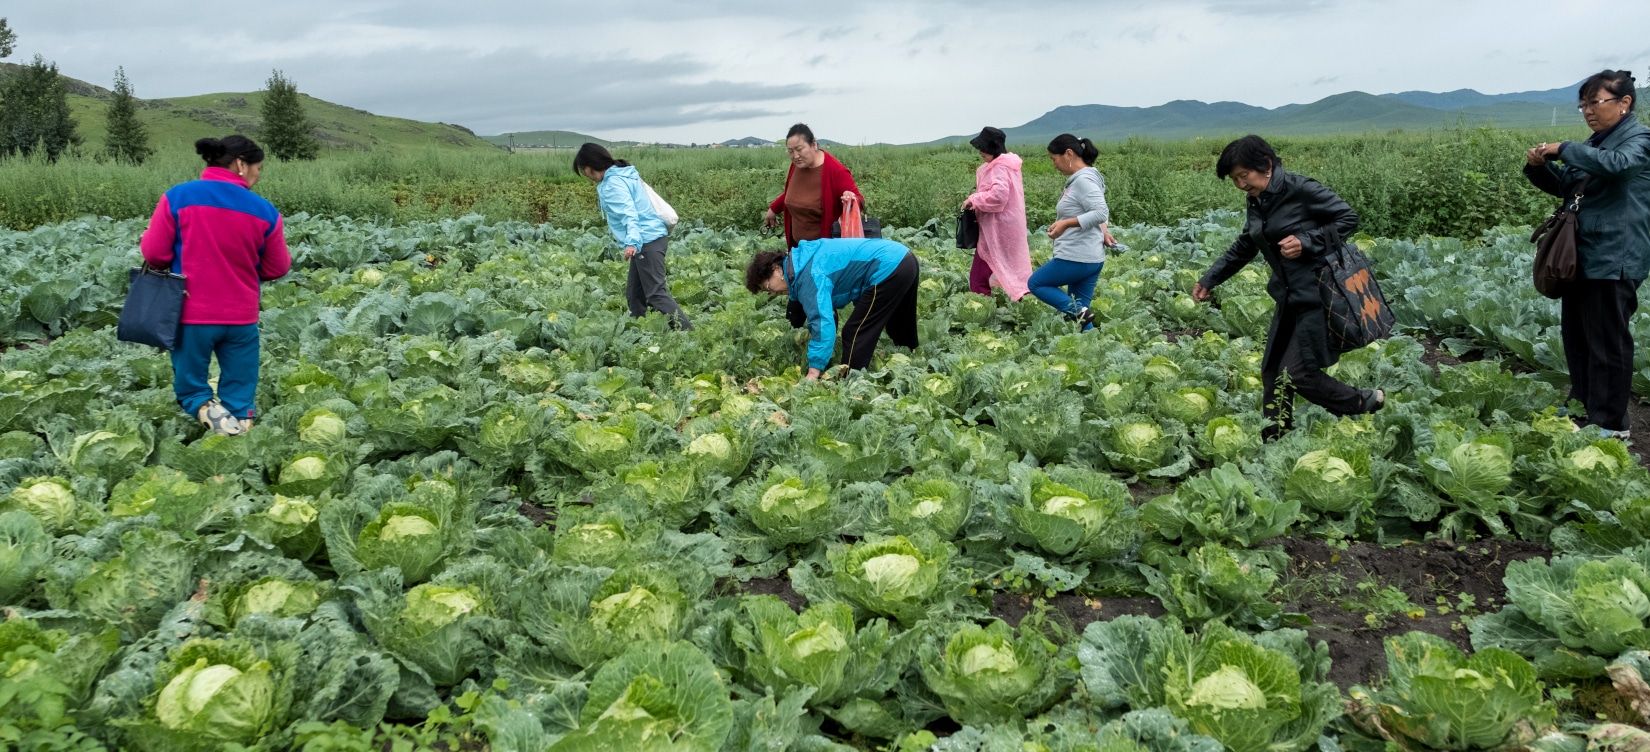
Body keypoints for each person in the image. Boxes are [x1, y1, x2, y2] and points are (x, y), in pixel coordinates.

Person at [1191, 135, 1386, 441]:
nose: (1241, 185)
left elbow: (1347, 217)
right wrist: (1209, 279)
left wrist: (1307, 241)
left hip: (1319, 293)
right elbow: (1247, 244)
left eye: (1244, 176)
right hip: (1290, 296)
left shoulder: (1300, 189)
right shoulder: (1257, 199)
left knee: (1297, 373)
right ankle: (1275, 436)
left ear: (1266, 165)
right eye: (1234, 179)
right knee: (1272, 371)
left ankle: (1362, 401)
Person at [1525, 70, 1650, 440]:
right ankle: (1582, 405)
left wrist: (1562, 148)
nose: (1587, 112)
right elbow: (1569, 186)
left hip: (1615, 256)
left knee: (1607, 342)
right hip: (1584, 255)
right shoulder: (1598, 141)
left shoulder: (1639, 140)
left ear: (1624, 103)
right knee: (1577, 337)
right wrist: (1540, 168)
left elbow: (1619, 166)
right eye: (1583, 105)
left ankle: (1612, 422)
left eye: (1595, 103)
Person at [140, 135, 291, 436]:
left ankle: (213, 419)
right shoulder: (264, 211)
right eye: (258, 169)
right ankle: (240, 439)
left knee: (193, 390)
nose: (258, 176)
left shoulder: (178, 197)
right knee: (240, 395)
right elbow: (278, 267)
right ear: (240, 164)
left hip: (191, 313)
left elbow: (154, 253)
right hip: (241, 316)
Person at [744, 238, 919, 379]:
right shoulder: (802, 260)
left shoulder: (807, 276)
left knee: (854, 332)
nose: (773, 293)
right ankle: (914, 359)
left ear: (776, 270)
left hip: (887, 267)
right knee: (900, 320)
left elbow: (822, 322)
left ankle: (852, 385)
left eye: (768, 287)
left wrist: (814, 370)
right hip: (904, 258)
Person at [573, 143, 692, 330]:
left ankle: (688, 333)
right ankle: (638, 333)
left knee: (655, 293)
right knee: (634, 294)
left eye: (583, 168)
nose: (585, 173)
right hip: (650, 237)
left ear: (591, 164)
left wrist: (632, 243)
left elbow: (630, 214)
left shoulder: (613, 184)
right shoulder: (622, 173)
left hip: (646, 240)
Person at [1027, 134, 1116, 328]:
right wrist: (1104, 232)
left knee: (1036, 283)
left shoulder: (1084, 180)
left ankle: (1078, 312)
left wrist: (1066, 223)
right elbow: (1098, 212)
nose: (1054, 164)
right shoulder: (1089, 177)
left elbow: (1101, 211)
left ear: (1068, 154)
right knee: (1083, 317)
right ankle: (1092, 347)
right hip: (1092, 258)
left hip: (1076, 257)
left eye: (1054, 159)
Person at [764, 124, 865, 249]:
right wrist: (773, 209)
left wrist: (850, 199)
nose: (795, 156)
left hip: (825, 251)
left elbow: (859, 200)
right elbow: (794, 192)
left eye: (800, 149)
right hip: (798, 248)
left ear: (814, 145)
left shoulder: (836, 171)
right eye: (791, 151)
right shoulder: (797, 165)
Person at [962, 127, 1033, 300]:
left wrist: (974, 199)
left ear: (993, 147)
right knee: (1012, 270)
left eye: (983, 148)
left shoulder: (1000, 166)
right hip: (1009, 226)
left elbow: (999, 197)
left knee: (979, 277)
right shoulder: (1010, 165)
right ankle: (1027, 304)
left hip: (998, 228)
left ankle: (982, 311)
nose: (980, 152)